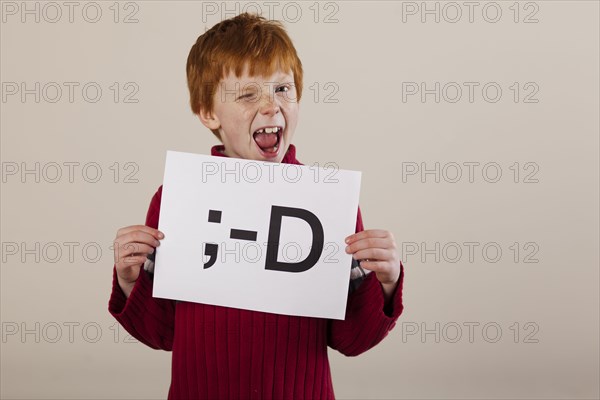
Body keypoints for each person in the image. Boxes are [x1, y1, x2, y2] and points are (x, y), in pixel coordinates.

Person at [109, 12, 405, 400]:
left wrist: (386, 283)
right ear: (207, 112)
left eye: (283, 89)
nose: (271, 106)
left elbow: (350, 340)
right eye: (248, 94)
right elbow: (162, 334)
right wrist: (131, 280)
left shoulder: (329, 204)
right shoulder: (177, 199)